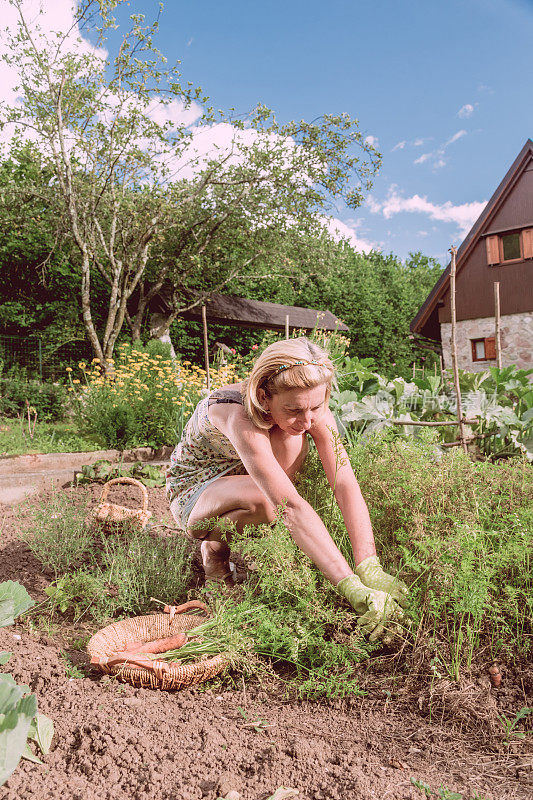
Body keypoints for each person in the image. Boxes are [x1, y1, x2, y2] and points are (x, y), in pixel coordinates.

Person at [167, 337, 408, 640]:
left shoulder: (307, 407)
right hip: (196, 492)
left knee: (293, 438)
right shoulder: (235, 413)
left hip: (245, 477)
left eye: (316, 407)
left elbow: (344, 482)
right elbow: (289, 506)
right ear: (263, 397)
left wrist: (368, 565)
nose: (308, 420)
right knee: (270, 505)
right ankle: (214, 552)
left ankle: (243, 536)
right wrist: (351, 587)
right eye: (294, 409)